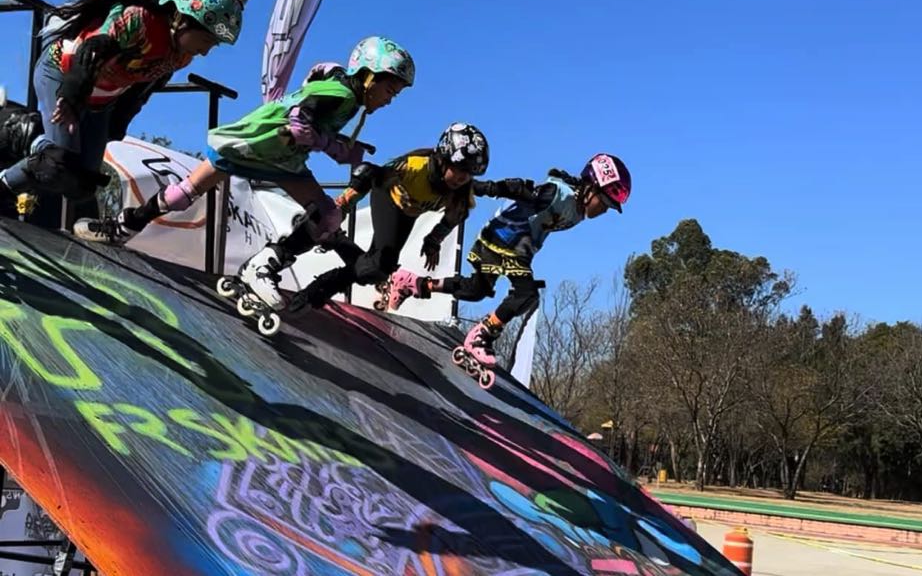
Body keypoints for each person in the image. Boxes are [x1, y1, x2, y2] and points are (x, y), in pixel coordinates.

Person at [72, 37, 416, 301]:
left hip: (262, 149)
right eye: (389, 89)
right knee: (325, 216)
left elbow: (311, 116)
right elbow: (299, 123)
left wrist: (342, 145)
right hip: (265, 148)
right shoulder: (342, 93)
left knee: (187, 192)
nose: (389, 99)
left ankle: (123, 227)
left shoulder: (344, 93)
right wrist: (338, 149)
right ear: (368, 76)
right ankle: (263, 266)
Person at [0, 0, 249, 205]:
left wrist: (121, 119)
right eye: (205, 40)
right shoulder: (139, 20)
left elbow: (144, 87)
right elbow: (90, 52)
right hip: (64, 74)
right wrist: (71, 97)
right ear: (181, 18)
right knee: (58, 162)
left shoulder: (181, 56)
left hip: (101, 99)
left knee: (84, 185)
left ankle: (33, 140)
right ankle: (22, 139)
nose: (205, 51)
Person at [388, 153, 632, 369]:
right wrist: (483, 187)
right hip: (503, 240)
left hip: (516, 248)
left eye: (610, 208)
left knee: (477, 290)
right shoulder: (559, 194)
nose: (603, 211)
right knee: (526, 294)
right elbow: (521, 190)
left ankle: (412, 283)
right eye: (605, 202)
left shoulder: (578, 211)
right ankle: (481, 335)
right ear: (591, 187)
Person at [286, 122, 532, 313]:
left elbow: (453, 219)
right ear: (442, 158)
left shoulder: (461, 193)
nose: (461, 178)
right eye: (458, 170)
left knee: (378, 270)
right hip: (388, 196)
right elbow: (370, 175)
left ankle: (336, 241)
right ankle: (316, 290)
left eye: (469, 174)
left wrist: (433, 241)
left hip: (408, 213)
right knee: (378, 266)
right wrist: (339, 207)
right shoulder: (416, 167)